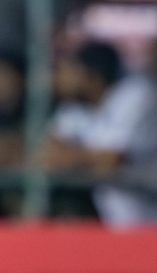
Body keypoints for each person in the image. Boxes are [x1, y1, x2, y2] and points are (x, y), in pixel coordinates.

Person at [46, 41, 157, 226]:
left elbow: (111, 160)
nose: (59, 79)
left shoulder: (137, 92)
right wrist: (88, 159)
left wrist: (74, 158)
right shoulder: (74, 108)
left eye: (68, 71)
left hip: (147, 218)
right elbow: (48, 157)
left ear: (92, 75)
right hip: (112, 222)